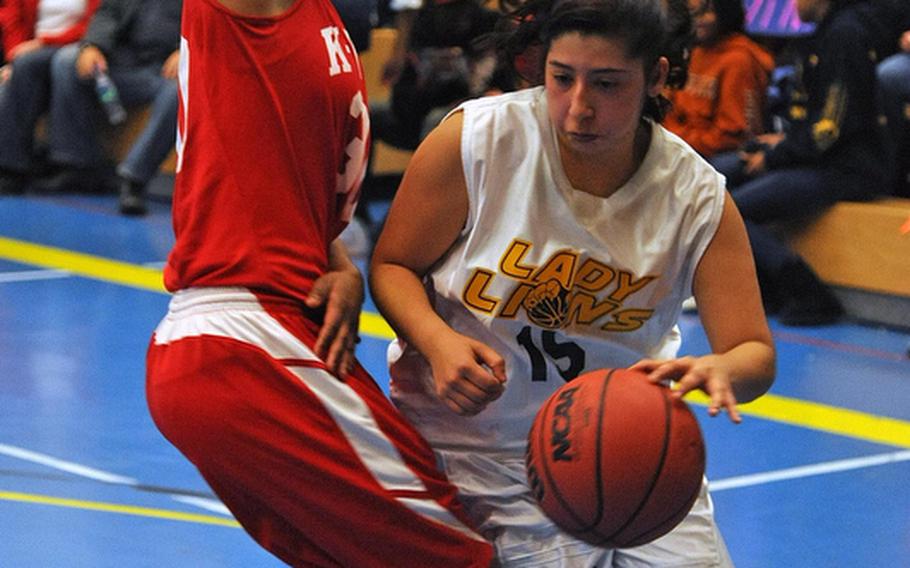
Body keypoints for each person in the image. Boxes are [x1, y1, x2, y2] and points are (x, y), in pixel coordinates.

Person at [369, 0, 776, 565]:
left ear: (656, 77)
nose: (578, 108)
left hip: (626, 451)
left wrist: (721, 369)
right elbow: (392, 267)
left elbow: (753, 352)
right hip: (476, 449)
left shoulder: (696, 194)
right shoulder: (479, 142)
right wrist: (437, 344)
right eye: (562, 79)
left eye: (607, 84)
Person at [145, 0, 494, 566]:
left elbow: (279, 166)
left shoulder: (321, 14)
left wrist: (336, 262)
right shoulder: (249, 11)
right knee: (461, 555)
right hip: (247, 336)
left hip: (270, 328)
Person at [711, 0, 886, 326]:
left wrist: (776, 157)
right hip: (812, 156)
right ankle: (763, 289)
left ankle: (810, 293)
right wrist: (780, 141)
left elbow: (831, 128)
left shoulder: (845, 35)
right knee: (715, 174)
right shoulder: (820, 34)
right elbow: (813, 117)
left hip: (846, 167)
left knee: (731, 209)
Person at [42, 0, 181, 215]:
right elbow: (106, 13)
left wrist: (186, 51)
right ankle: (75, 165)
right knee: (67, 60)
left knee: (178, 91)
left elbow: (210, 29)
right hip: (120, 63)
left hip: (161, 71)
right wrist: (93, 45)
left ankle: (133, 180)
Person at [0, 0, 99, 195]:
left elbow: (96, 23)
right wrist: (15, 56)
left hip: (75, 46)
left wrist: (43, 42)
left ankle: (67, 163)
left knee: (44, 63)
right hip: (30, 50)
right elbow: (11, 17)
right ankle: (12, 164)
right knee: (14, 78)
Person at [663, 0, 774, 158]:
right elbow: (669, 112)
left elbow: (731, 137)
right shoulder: (693, 51)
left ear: (726, 14)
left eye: (707, 12)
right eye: (693, 12)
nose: (698, 20)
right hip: (682, 145)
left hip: (719, 154)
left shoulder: (739, 59)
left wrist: (677, 141)